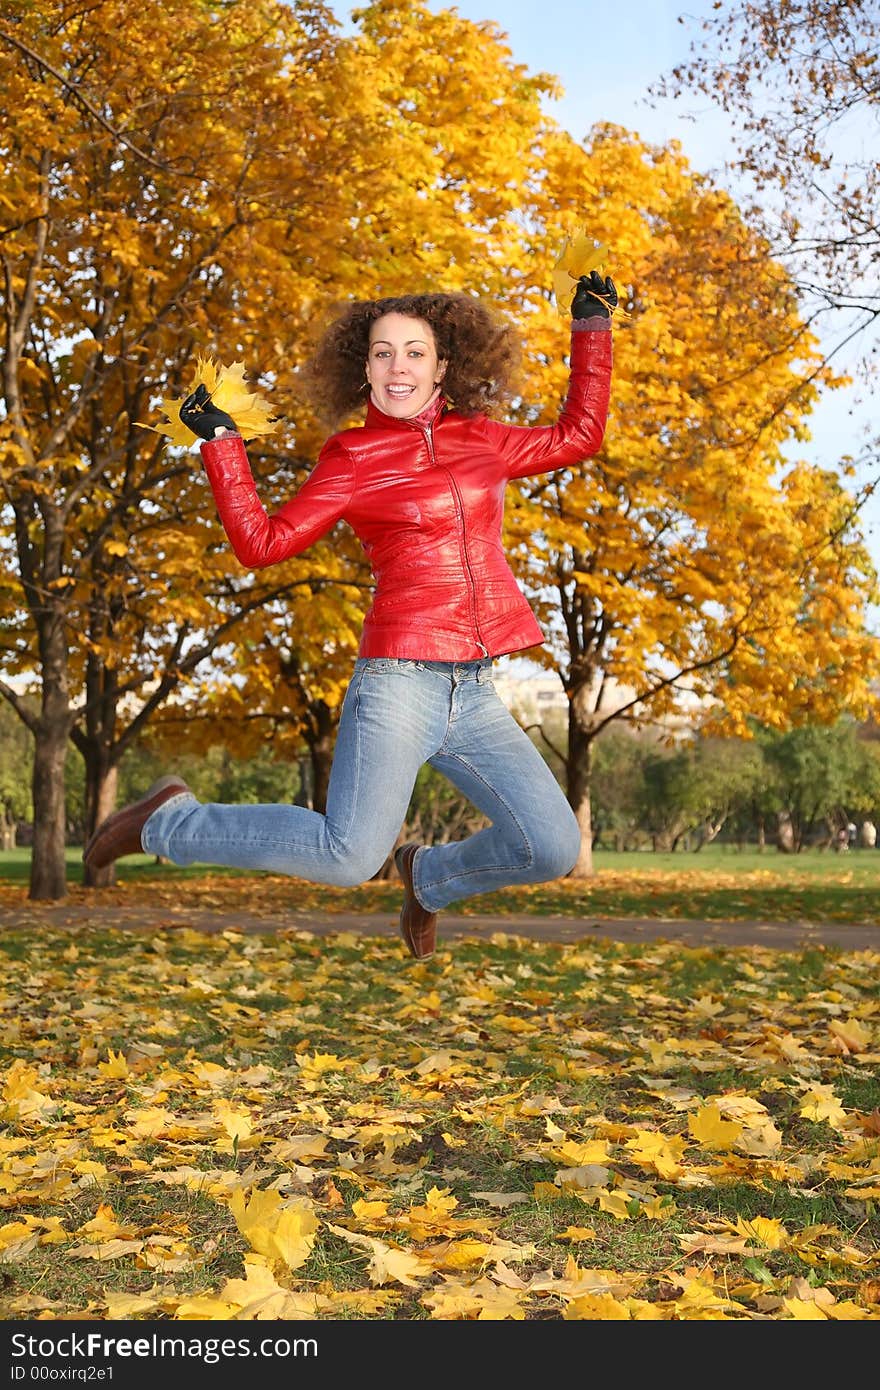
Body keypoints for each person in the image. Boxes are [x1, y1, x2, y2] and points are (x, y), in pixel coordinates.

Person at [84, 270, 617, 960]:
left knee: (550, 844)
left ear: (444, 365)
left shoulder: (482, 440)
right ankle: (169, 822)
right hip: (398, 683)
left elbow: (580, 433)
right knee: (345, 855)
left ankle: (427, 876)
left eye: (415, 352)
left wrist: (592, 329)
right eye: (382, 352)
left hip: (475, 689)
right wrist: (221, 443)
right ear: (363, 370)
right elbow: (262, 543)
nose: (398, 366)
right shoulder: (353, 458)